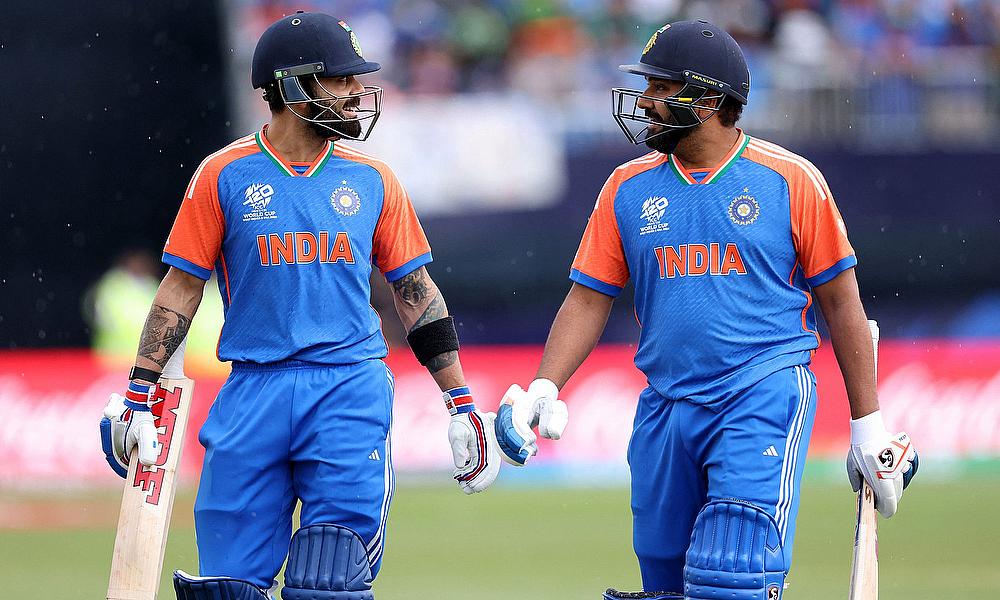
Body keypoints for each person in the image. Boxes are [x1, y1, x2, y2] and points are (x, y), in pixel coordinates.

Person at [495, 20, 918, 599]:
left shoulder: (790, 180)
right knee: (664, 580)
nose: (646, 101)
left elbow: (842, 304)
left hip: (760, 392)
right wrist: (545, 386)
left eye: (661, 87)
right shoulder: (625, 187)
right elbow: (589, 297)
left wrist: (867, 426)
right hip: (665, 404)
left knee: (730, 572)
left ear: (711, 100)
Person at [99, 12, 500, 600]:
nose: (356, 92)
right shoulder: (223, 174)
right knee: (228, 588)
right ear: (291, 87)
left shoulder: (373, 179)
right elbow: (180, 289)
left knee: (329, 578)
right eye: (340, 78)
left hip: (347, 389)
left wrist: (461, 402)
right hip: (252, 390)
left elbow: (416, 293)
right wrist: (141, 392)